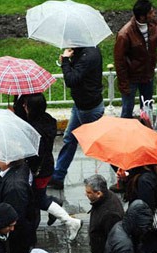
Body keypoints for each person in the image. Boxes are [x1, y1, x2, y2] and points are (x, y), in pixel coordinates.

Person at [15, 93, 82, 241]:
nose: (23, 107)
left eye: (26, 105)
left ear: (32, 108)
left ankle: (70, 222)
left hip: (38, 170)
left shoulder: (34, 130)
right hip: (46, 167)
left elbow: (34, 154)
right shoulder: (47, 120)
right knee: (38, 197)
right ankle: (54, 204)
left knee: (38, 200)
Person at [48, 46, 105, 190]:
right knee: (69, 139)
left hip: (89, 109)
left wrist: (66, 61)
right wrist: (69, 60)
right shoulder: (85, 52)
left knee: (103, 145)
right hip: (81, 106)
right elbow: (80, 74)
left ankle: (124, 173)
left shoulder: (88, 56)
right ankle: (58, 177)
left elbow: (71, 80)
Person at [114, 0, 157, 118]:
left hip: (147, 75)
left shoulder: (151, 25)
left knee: (147, 110)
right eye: (151, 12)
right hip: (131, 78)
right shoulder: (124, 35)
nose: (154, 14)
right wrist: (124, 84)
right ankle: (125, 133)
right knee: (127, 110)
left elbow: (156, 41)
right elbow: (119, 61)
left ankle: (146, 131)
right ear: (142, 16)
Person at [84, 174, 124, 253]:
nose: (86, 195)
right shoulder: (104, 199)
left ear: (99, 193)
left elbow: (113, 241)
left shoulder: (110, 214)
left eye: (89, 192)